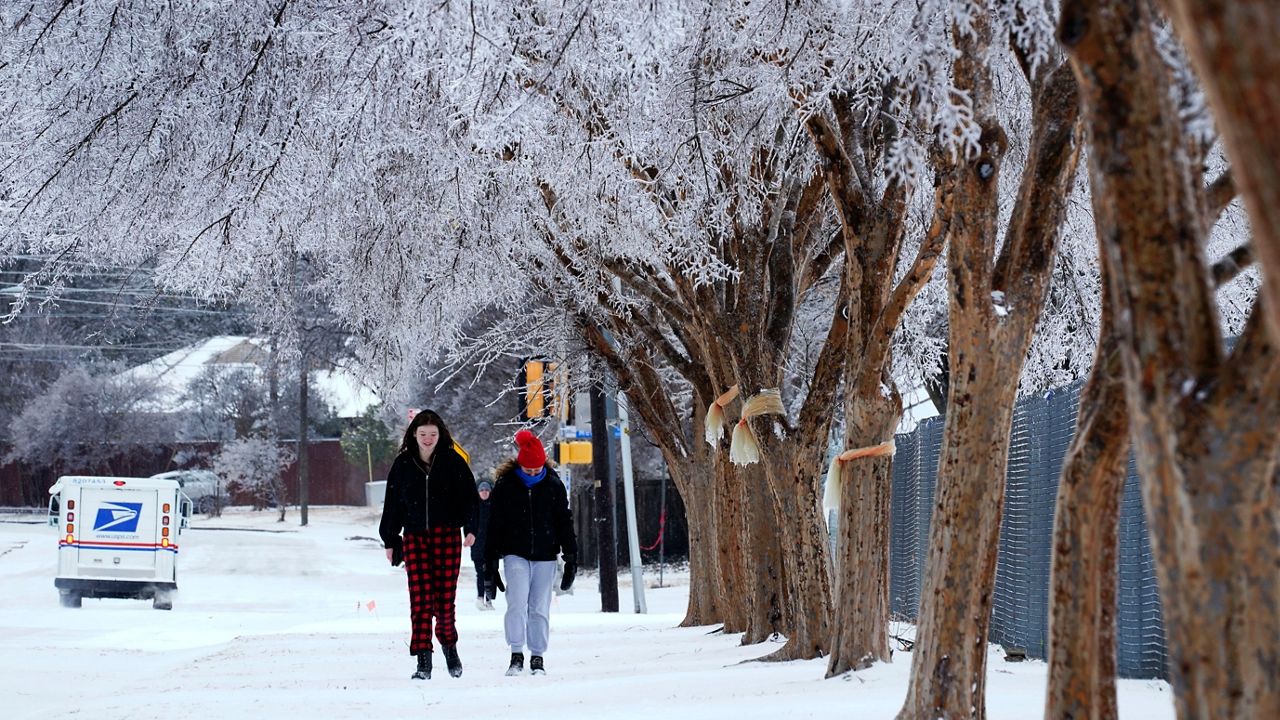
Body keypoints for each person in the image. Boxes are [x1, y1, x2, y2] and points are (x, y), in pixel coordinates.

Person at [378, 409, 478, 680]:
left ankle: (449, 645)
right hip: (414, 537)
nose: (427, 439)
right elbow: (392, 504)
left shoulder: (453, 462)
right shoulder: (402, 464)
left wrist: (471, 528)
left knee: (444, 601)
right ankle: (423, 660)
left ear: (440, 435)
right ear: (413, 434)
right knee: (420, 599)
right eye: (422, 434)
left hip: (447, 535)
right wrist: (390, 538)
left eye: (432, 434)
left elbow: (470, 499)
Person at [485, 429, 577, 676]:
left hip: (546, 555)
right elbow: (494, 524)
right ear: (520, 466)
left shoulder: (554, 485)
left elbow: (564, 522)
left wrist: (571, 557)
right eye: (529, 471)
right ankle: (516, 653)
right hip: (515, 552)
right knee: (516, 602)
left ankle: (537, 656)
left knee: (538, 606)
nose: (534, 474)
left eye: (538, 470)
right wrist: (490, 562)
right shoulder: (505, 486)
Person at [470, 478, 495, 611]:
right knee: (480, 572)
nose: (484, 492)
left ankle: (489, 599)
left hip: (491, 546)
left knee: (490, 573)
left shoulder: (494, 506)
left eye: (487, 490)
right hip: (478, 546)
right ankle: (480, 597)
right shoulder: (474, 506)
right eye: (482, 490)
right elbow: (469, 525)